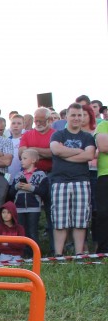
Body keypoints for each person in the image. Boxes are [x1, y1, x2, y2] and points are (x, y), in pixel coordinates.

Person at [49, 103, 96, 255]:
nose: (76, 118)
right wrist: (77, 152)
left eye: (79, 115)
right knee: (60, 220)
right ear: (67, 116)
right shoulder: (58, 135)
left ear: (83, 117)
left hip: (81, 181)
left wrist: (65, 154)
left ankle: (78, 253)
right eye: (73, 115)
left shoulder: (87, 137)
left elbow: (89, 155)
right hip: (60, 181)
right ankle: (58, 253)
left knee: (80, 220)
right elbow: (56, 150)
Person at [10, 149, 46, 247]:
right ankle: (22, 253)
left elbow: (44, 192)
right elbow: (10, 193)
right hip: (19, 208)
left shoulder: (41, 174)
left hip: (34, 208)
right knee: (21, 231)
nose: (22, 161)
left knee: (32, 231)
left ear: (33, 160)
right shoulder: (18, 175)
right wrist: (17, 186)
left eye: (25, 158)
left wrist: (31, 188)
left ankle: (34, 254)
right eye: (21, 159)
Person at [94, 113, 108, 252]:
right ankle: (103, 250)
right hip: (105, 175)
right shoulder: (103, 125)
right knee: (104, 213)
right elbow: (103, 147)